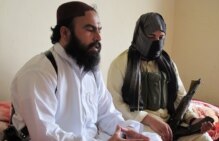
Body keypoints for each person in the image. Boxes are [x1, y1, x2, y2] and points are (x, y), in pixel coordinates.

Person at [9, 1, 158, 141]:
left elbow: (107, 115)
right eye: (90, 29)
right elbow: (44, 136)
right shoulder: (39, 73)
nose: (99, 37)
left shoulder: (91, 70)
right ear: (65, 33)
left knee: (154, 139)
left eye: (99, 29)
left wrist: (130, 132)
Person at [107, 12, 214, 141]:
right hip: (139, 125)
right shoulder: (120, 63)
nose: (156, 42)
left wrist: (193, 120)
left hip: (171, 125)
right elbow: (114, 104)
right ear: (140, 35)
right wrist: (147, 118)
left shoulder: (168, 64)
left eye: (161, 37)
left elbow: (180, 98)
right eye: (151, 36)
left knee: (204, 138)